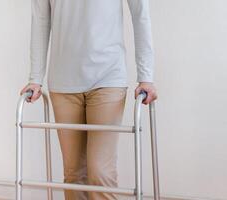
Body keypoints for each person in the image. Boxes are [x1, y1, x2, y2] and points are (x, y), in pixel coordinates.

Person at [20, 0, 157, 199]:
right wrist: (35, 78)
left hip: (108, 78)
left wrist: (146, 77)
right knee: (74, 173)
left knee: (100, 172)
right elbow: (40, 20)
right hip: (63, 82)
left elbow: (140, 14)